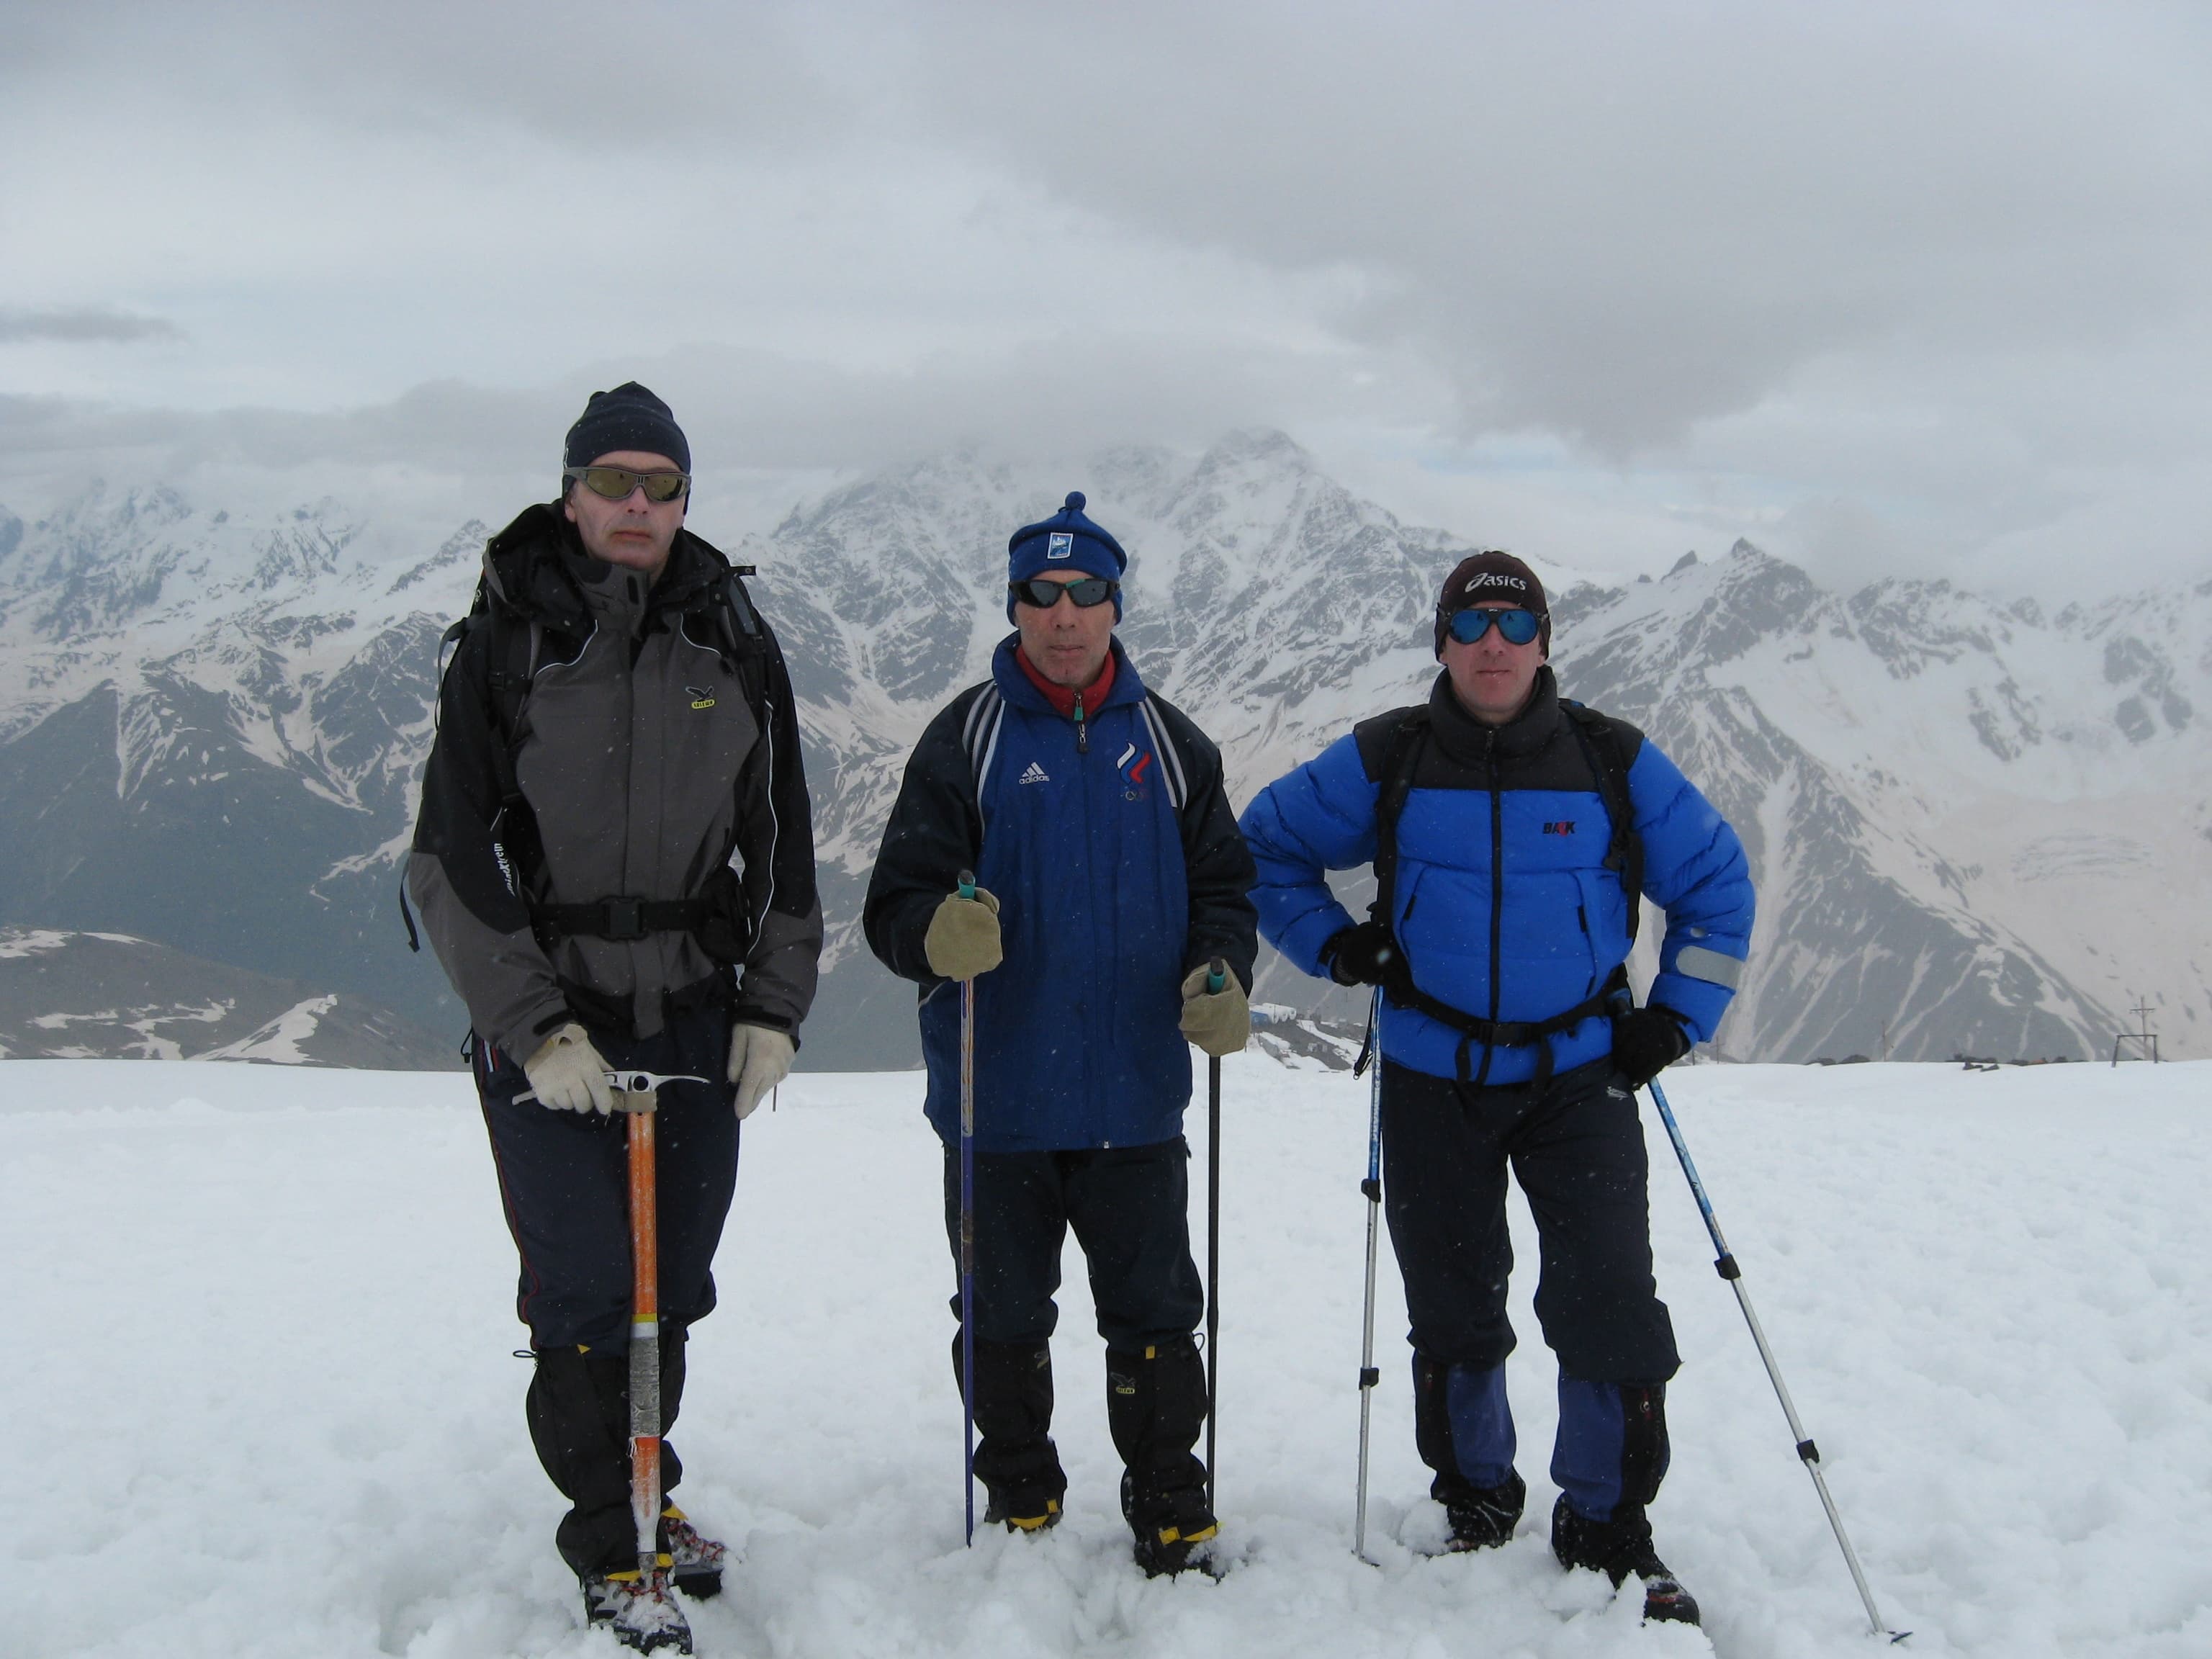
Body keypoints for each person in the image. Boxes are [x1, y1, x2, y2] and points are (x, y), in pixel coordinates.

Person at [1238, 550, 1753, 1625]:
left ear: (1545, 642)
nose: (1494, 645)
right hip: (1435, 1077)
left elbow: (1716, 885)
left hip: (1582, 1077)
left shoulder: (1610, 759)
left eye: (1516, 626)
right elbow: (1266, 850)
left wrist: (1675, 1019)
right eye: (1472, 624)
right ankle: (1475, 1497)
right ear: (1441, 641)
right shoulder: (1390, 757)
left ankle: (1607, 1525)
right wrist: (1335, 947)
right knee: (1456, 1305)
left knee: (1608, 1302)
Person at [408, 382, 821, 1653]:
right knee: (587, 1289)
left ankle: (653, 1489)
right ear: (574, 493)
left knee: (670, 1285)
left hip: (693, 1014)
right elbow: (448, 854)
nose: (637, 506)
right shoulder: (509, 641)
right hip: (558, 1016)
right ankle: (611, 1537)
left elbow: (784, 845)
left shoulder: (733, 638)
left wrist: (775, 1010)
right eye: (615, 484)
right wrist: (535, 1027)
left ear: (686, 498)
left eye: (662, 485)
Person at [863, 492, 1258, 1576]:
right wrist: (932, 934)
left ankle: (1170, 1495)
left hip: (1134, 1090)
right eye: (1043, 595)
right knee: (1001, 1311)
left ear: (1116, 606)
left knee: (1157, 1313)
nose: (1066, 615)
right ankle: (1023, 1493)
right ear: (1016, 606)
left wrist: (1222, 968)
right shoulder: (966, 742)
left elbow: (1224, 886)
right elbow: (892, 905)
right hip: (999, 1100)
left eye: (1087, 595)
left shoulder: (1173, 746)